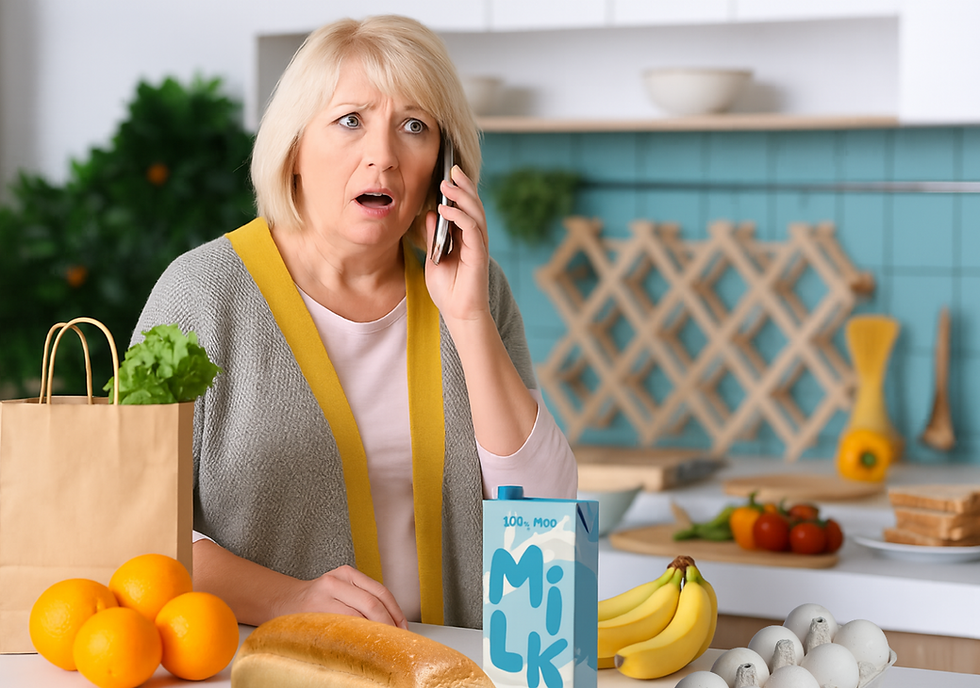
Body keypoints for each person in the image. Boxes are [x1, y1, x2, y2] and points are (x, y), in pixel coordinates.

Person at [130, 15, 577, 632]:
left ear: (443, 168)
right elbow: (132, 525)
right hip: (269, 667)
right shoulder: (199, 294)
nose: (384, 157)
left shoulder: (478, 290)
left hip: (449, 668)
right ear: (293, 150)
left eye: (415, 127)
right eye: (350, 121)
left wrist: (469, 318)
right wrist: (285, 600)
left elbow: (546, 518)